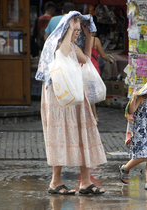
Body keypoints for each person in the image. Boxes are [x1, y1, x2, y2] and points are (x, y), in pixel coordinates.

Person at [35, 11, 107, 195]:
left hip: (75, 96)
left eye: (78, 30)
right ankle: (55, 181)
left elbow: (86, 59)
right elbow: (63, 52)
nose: (78, 32)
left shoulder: (73, 46)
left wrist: (88, 37)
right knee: (60, 136)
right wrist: (70, 24)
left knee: (83, 133)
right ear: (66, 28)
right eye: (75, 29)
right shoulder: (56, 45)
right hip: (60, 100)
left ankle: (85, 182)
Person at [90, 34, 115, 122]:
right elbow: (103, 55)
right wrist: (110, 59)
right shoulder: (95, 40)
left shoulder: (80, 39)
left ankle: (87, 115)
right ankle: (94, 116)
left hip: (82, 67)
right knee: (92, 93)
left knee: (84, 92)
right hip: (93, 68)